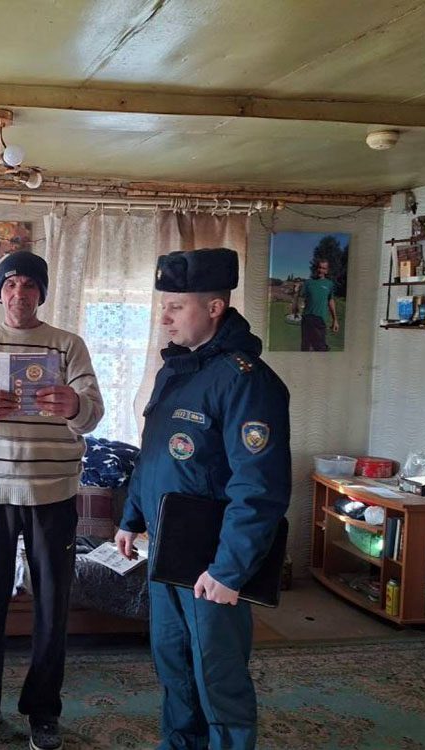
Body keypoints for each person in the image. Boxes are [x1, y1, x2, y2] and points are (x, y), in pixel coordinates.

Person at [115, 248, 291, 750]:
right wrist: (131, 517)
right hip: (165, 549)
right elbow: (153, 457)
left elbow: (259, 488)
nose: (164, 318)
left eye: (176, 307)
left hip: (211, 559)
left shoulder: (246, 381)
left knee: (217, 673)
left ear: (214, 308)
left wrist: (229, 571)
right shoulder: (176, 370)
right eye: (163, 307)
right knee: (172, 661)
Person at [0, 250, 104, 750]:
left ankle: (43, 711)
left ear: (42, 293)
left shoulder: (68, 345)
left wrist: (74, 404)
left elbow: (93, 413)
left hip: (54, 493)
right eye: (10, 284)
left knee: (53, 607)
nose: (19, 293)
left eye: (29, 285)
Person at [294, 257, 338, 351]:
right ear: (316, 268)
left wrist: (335, 320)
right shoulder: (308, 282)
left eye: (323, 268)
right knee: (305, 348)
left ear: (327, 271)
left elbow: (331, 301)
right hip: (307, 319)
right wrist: (296, 291)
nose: (320, 270)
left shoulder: (329, 284)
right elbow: (299, 298)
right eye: (319, 267)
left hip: (320, 320)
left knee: (320, 348)